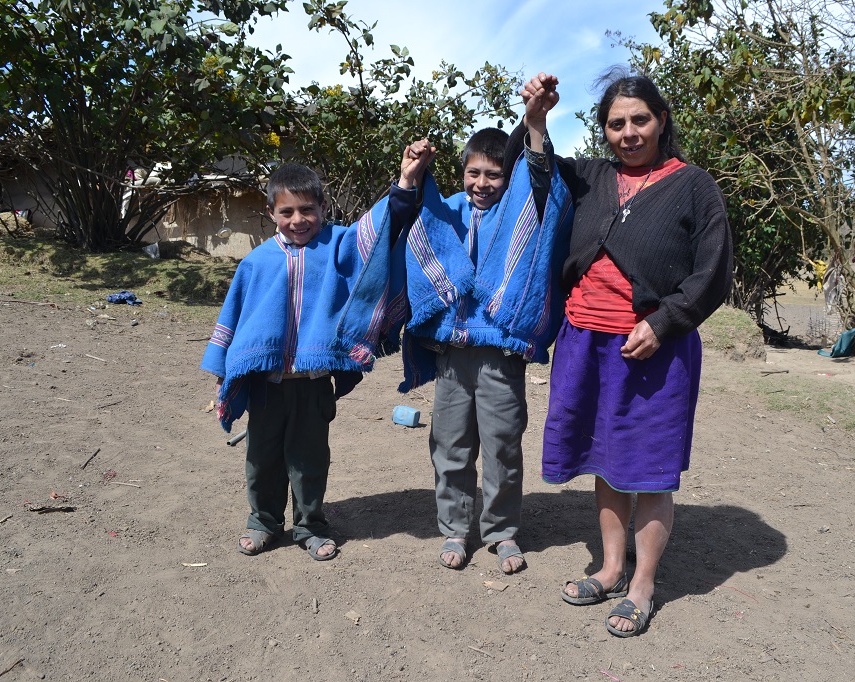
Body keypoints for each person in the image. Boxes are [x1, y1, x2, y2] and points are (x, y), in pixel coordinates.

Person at [517, 70, 733, 636]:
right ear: (604, 130)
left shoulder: (693, 186)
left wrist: (664, 323)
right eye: (616, 123)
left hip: (654, 352)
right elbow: (538, 177)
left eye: (640, 119)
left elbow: (714, 273)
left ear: (662, 120)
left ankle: (643, 586)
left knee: (650, 470)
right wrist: (536, 119)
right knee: (606, 461)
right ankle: (612, 568)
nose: (629, 132)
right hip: (584, 342)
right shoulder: (590, 178)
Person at [200, 146, 434, 561]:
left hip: (311, 383)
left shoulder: (339, 246)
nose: (297, 221)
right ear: (271, 211)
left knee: (309, 460)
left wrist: (406, 181)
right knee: (262, 459)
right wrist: (226, 373)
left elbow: (381, 229)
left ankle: (309, 525)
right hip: (265, 384)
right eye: (286, 212)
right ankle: (264, 522)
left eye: (307, 210)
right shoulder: (257, 262)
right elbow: (239, 317)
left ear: (324, 207)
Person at [400, 78, 571, 574]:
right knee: (449, 446)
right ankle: (455, 530)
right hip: (453, 354)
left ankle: (501, 532)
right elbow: (410, 215)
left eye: (494, 174)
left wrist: (535, 123)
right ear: (462, 172)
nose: (481, 184)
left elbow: (541, 179)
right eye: (473, 172)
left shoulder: (520, 211)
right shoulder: (446, 210)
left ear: (507, 178)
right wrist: (413, 175)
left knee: (502, 446)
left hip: (500, 355)